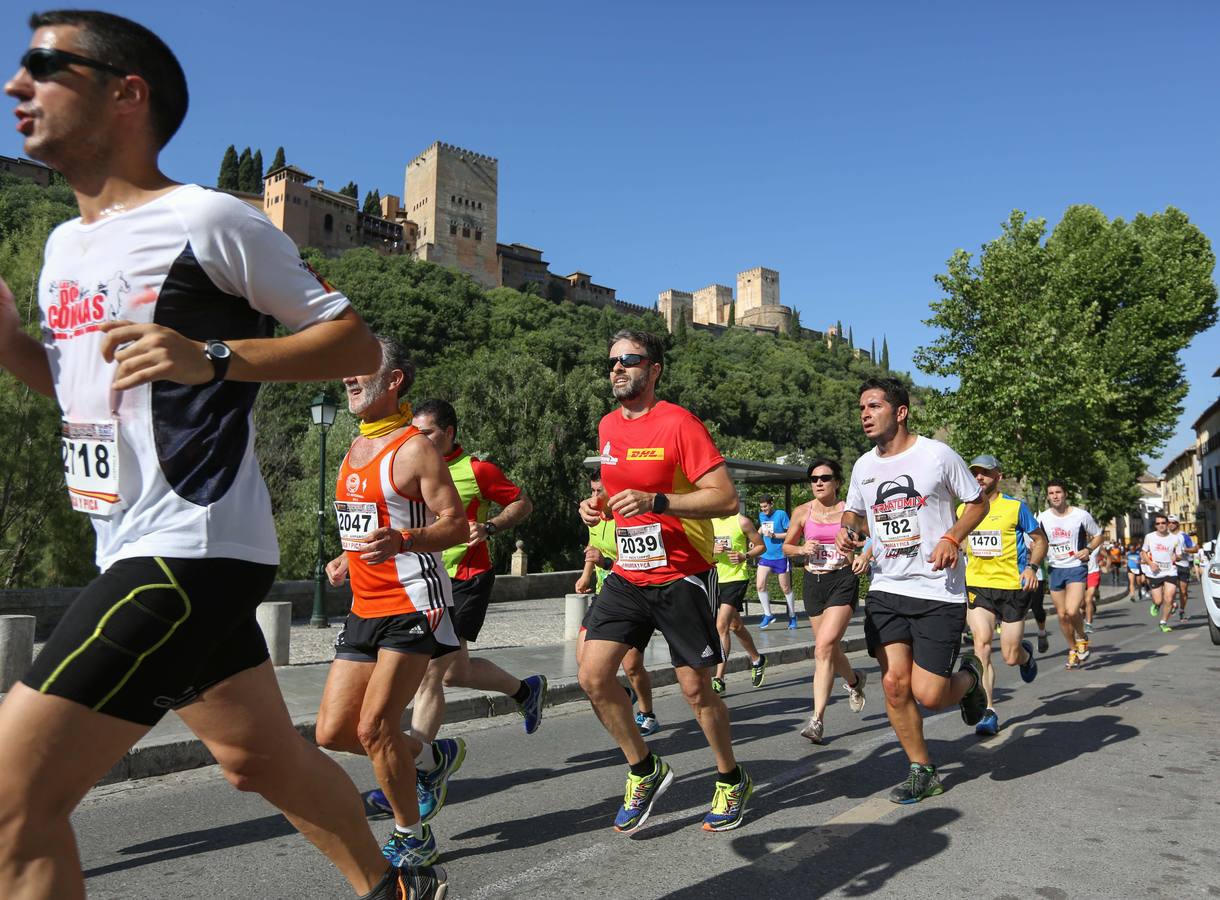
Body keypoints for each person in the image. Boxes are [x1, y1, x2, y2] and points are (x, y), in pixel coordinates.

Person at [0, 11, 443, 899]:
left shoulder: (206, 217)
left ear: (128, 94)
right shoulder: (60, 248)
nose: (17, 85)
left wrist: (211, 356)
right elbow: (88, 392)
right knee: (259, 760)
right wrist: (11, 346)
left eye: (45, 66)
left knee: (13, 805)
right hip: (123, 543)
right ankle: (395, 890)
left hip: (190, 548)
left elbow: (354, 345)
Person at [577, 329, 752, 834]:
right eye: (611, 361)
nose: (618, 369)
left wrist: (660, 503)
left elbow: (725, 499)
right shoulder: (607, 426)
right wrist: (597, 506)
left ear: (653, 370)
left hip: (682, 574)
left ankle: (730, 777)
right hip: (629, 575)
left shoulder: (679, 424)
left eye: (630, 360)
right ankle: (644, 767)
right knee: (592, 676)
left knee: (696, 689)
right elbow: (617, 492)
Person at [314, 337, 467, 870]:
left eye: (361, 369)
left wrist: (403, 543)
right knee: (331, 731)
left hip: (412, 604)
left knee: (373, 729)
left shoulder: (413, 448)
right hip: (364, 605)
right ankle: (429, 756)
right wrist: (344, 558)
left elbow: (456, 524)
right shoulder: (354, 447)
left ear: (395, 380)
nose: (348, 377)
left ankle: (412, 834)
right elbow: (367, 526)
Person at [836, 378, 990, 804]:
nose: (865, 414)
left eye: (874, 406)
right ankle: (922, 768)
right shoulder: (864, 466)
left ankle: (970, 679)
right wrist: (848, 531)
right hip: (886, 585)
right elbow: (854, 511)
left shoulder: (936, 456)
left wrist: (952, 538)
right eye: (861, 407)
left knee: (930, 694)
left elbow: (977, 503)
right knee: (894, 686)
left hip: (938, 589)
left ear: (900, 412)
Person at [782, 458, 869, 744]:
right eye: (813, 478)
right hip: (813, 582)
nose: (818, 483)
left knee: (822, 648)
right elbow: (786, 547)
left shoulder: (850, 512)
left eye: (825, 477)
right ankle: (855, 681)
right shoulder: (802, 512)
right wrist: (801, 548)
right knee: (827, 649)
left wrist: (864, 556)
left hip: (842, 579)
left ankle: (816, 720)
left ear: (837, 482)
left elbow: (873, 537)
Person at [958, 455, 1045, 736]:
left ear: (998, 476)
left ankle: (1025, 656)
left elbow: (1040, 540)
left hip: (1012, 587)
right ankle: (989, 711)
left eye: (985, 473)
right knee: (981, 645)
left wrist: (1032, 568)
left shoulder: (1015, 507)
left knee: (1009, 655)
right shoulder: (963, 510)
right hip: (978, 585)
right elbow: (959, 541)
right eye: (975, 474)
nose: (979, 478)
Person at [575, 471, 659, 735]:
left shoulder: (628, 516)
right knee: (584, 663)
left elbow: (638, 557)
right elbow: (592, 545)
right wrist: (586, 574)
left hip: (633, 593)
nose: (595, 497)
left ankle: (647, 714)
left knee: (631, 665)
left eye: (600, 491)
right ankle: (622, 694)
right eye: (592, 490)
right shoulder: (594, 515)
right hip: (605, 594)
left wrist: (607, 562)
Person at [1038, 483, 1103, 669]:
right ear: (1048, 497)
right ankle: (1073, 649)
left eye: (1058, 492)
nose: (1055, 496)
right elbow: (1035, 540)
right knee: (1061, 615)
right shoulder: (1043, 518)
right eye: (1051, 493)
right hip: (1055, 568)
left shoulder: (1081, 515)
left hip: (1076, 567)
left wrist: (1088, 549)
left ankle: (1082, 637)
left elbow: (1098, 535)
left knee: (1072, 610)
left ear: (1065, 494)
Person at [709, 510, 768, 696]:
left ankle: (719, 679)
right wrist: (711, 550)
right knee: (736, 626)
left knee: (721, 626)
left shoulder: (742, 522)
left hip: (736, 579)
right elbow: (697, 547)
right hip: (715, 578)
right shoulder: (707, 521)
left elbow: (761, 546)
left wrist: (745, 556)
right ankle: (758, 659)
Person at [755, 496, 797, 628]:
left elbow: (790, 532)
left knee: (785, 588)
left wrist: (775, 536)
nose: (764, 509)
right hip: (766, 556)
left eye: (765, 506)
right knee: (760, 585)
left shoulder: (781, 514)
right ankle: (768, 615)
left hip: (781, 556)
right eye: (761, 507)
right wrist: (755, 539)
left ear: (771, 504)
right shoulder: (762, 515)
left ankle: (792, 616)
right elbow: (762, 528)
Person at [1141, 514, 1180, 633]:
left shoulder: (1175, 538)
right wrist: (1150, 563)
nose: (1161, 525)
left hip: (1170, 571)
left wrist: (1176, 557)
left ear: (1168, 524)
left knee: (1169, 597)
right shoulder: (1150, 537)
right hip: (1155, 573)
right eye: (1158, 523)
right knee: (1158, 600)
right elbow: (1143, 552)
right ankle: (1157, 604)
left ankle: (1163, 622)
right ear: (1155, 525)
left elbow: (1179, 555)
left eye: (1163, 523)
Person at [1168, 516, 1197, 621]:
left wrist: (1184, 550)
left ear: (1177, 524)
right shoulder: (1164, 536)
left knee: (1183, 591)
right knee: (1169, 590)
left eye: (1173, 522)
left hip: (1183, 565)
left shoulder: (1183, 536)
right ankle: (1173, 604)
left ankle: (1181, 610)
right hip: (1170, 566)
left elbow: (1196, 549)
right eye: (1169, 522)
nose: (1170, 524)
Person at [1082, 547, 1101, 634]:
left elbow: (1106, 556)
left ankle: (1088, 624)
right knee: (1082, 604)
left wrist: (1107, 565)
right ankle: (1091, 606)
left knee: (1088, 599)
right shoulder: (1075, 544)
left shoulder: (1096, 546)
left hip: (1093, 573)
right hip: (1081, 574)